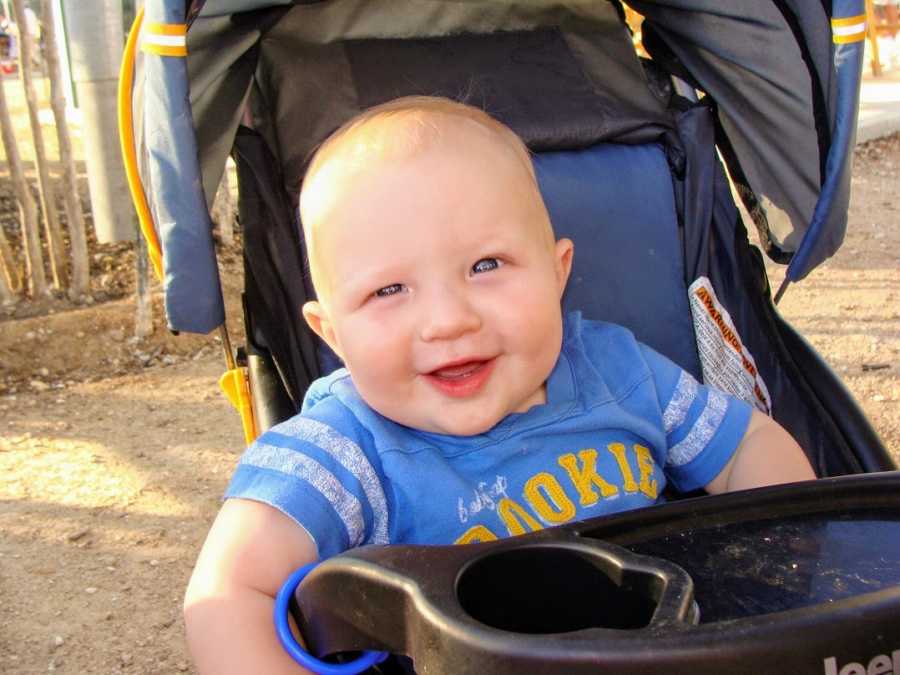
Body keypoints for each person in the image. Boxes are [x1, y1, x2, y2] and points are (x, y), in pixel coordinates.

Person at [184, 96, 816, 673]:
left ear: (557, 271)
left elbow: (745, 447)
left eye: (486, 265)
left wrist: (784, 587)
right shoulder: (343, 451)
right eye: (388, 290)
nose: (449, 320)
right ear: (332, 334)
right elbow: (229, 591)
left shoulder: (617, 370)